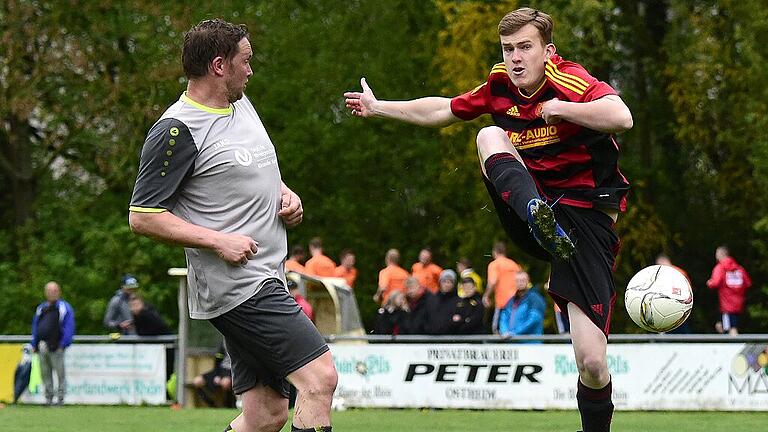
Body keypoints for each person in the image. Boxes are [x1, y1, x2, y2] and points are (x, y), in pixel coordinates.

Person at [345, 8, 633, 431]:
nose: (515, 58)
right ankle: (537, 215)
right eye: (508, 48)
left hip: (586, 221)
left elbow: (621, 116)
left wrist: (562, 110)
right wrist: (378, 107)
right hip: (535, 212)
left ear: (548, 52)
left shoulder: (569, 80)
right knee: (487, 134)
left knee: (591, 362)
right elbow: (443, 109)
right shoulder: (500, 84)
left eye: (525, 48)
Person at [128, 19, 336, 432]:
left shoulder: (240, 103)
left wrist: (283, 192)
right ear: (219, 65)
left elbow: (253, 169)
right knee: (320, 377)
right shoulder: (177, 130)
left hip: (269, 277)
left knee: (265, 415)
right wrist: (218, 241)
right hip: (239, 288)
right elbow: (143, 216)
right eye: (246, 61)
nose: (251, 69)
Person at [30, 281, 75, 406]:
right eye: (49, 291)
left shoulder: (64, 307)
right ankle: (48, 398)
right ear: (45, 293)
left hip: (57, 346)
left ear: (59, 292)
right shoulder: (41, 308)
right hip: (42, 345)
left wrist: (63, 343)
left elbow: (69, 327)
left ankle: (60, 399)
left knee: (60, 373)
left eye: (54, 290)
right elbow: (36, 326)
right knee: (45, 373)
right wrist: (34, 343)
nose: (52, 293)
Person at [706, 246, 752, 335]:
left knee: (731, 328)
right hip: (739, 303)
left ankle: (735, 347)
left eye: (717, 254)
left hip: (726, 304)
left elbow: (715, 282)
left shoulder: (720, 267)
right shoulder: (739, 268)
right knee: (723, 325)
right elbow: (748, 283)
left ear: (721, 254)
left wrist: (709, 283)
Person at [484, 242, 522, 333]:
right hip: (516, 302)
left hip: (502, 303)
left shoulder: (494, 265)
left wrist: (486, 295)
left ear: (494, 252)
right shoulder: (514, 265)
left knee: (497, 329)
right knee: (513, 330)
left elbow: (492, 281)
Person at [498, 271, 545, 342]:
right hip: (513, 343)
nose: (520, 283)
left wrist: (514, 333)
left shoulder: (535, 298)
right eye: (517, 280)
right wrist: (504, 331)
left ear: (528, 281)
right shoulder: (511, 300)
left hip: (531, 344)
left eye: (523, 280)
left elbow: (534, 319)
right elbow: (504, 316)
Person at [656, 253, 692, 333]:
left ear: (663, 261)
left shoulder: (672, 273)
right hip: (678, 307)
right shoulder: (680, 272)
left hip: (672, 307)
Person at [192, 342, 235, 408]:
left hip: (233, 370)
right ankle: (213, 406)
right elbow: (218, 360)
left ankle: (229, 406)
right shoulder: (223, 341)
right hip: (220, 370)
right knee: (197, 381)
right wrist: (218, 375)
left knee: (225, 383)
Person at [425, 269, 460, 335]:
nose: (447, 284)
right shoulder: (431, 299)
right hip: (432, 338)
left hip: (451, 339)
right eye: (444, 281)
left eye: (450, 282)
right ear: (440, 283)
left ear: (454, 284)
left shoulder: (458, 302)